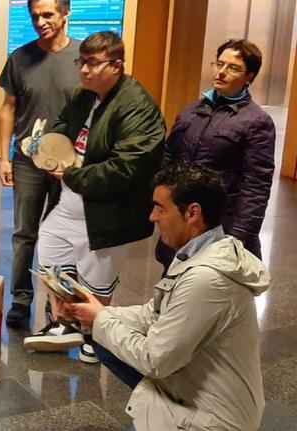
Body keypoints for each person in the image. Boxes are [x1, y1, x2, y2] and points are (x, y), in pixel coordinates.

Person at [63, 163, 269, 431]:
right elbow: (153, 314)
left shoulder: (207, 280)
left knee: (105, 333)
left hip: (212, 421)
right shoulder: (195, 251)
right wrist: (90, 313)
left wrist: (100, 319)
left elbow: (155, 360)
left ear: (193, 213)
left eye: (160, 208)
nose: (152, 217)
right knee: (101, 336)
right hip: (189, 392)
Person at [24, 31, 166, 363]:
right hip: (70, 204)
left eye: (93, 63)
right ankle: (66, 324)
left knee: (97, 281)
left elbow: (125, 168)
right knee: (51, 258)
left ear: (117, 66)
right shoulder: (84, 96)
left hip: (109, 213)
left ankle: (96, 336)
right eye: (82, 62)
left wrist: (72, 173)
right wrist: (44, 148)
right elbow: (61, 128)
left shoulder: (137, 106)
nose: (84, 70)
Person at [0, 0, 81, 329]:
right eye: (34, 16)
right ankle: (21, 298)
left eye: (47, 14)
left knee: (63, 235)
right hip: (27, 162)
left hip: (70, 165)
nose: (40, 21)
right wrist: (4, 156)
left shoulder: (83, 57)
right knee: (25, 232)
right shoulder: (20, 58)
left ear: (65, 13)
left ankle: (58, 303)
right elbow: (8, 108)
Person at [157, 39, 275, 268]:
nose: (221, 72)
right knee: (171, 286)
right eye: (219, 63)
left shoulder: (257, 122)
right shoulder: (192, 110)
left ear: (249, 76)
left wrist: (238, 238)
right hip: (181, 219)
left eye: (233, 67)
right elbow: (169, 157)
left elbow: (257, 185)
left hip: (221, 224)